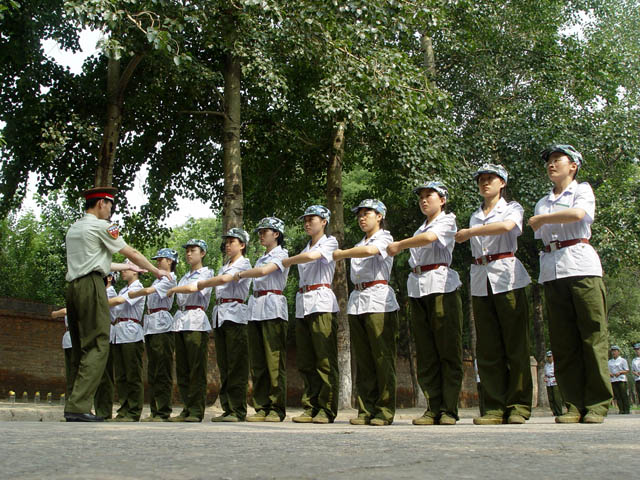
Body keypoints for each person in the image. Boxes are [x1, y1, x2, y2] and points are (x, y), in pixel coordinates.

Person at [64, 186, 170, 422]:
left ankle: (73, 402)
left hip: (73, 287)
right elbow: (131, 251)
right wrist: (156, 271)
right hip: (92, 286)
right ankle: (78, 406)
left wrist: (127, 267)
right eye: (110, 205)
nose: (111, 211)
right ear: (101, 203)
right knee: (98, 344)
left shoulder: (75, 228)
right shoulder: (104, 226)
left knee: (80, 346)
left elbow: (98, 261)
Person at [528, 144, 612, 424]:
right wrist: (545, 218)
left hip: (581, 266)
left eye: (557, 160)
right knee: (563, 341)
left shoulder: (582, 190)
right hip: (552, 270)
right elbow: (541, 232)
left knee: (592, 335)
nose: (551, 165)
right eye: (549, 161)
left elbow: (577, 215)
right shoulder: (543, 201)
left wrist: (543, 219)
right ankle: (573, 404)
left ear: (573, 166)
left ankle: (597, 404)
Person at [455, 164, 533, 425]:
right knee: (488, 347)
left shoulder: (512, 208)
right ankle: (493, 407)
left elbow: (506, 226)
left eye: (491, 178)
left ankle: (518, 406)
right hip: (481, 277)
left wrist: (470, 233)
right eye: (481, 180)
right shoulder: (475, 215)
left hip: (506, 275)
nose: (485, 183)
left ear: (503, 183)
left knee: (515, 344)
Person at [387, 181, 463, 426]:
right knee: (427, 352)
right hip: (419, 288)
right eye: (421, 196)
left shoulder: (447, 221)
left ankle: (449, 409)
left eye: (430, 195)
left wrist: (400, 245)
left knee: (447, 350)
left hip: (441, 286)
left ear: (442, 200)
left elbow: (430, 238)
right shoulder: (420, 227)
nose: (424, 200)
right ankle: (433, 407)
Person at [333, 199, 399, 426]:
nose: (362, 218)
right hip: (358, 300)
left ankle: (384, 410)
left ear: (379, 216)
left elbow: (371, 251)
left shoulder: (385, 237)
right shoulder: (359, 243)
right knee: (363, 359)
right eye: (359, 214)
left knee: (382, 358)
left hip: (378, 300)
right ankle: (366, 409)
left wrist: (343, 253)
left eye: (367, 213)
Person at [282, 205, 339, 424]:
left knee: (324, 359)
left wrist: (288, 260)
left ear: (324, 221)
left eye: (311, 219)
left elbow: (313, 257)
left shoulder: (330, 242)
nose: (307, 223)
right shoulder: (305, 247)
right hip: (303, 303)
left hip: (321, 302)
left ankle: (326, 408)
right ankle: (311, 406)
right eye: (305, 220)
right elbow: (307, 254)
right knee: (306, 360)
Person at [235, 218, 290, 423]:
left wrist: (240, 274)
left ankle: (276, 408)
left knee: (274, 361)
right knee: (258, 362)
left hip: (273, 306)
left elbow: (264, 271)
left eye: (264, 231)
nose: (260, 235)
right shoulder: (260, 258)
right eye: (259, 232)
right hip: (256, 307)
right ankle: (261, 406)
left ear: (276, 234)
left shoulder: (282, 254)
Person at [204, 228, 252, 423]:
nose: (228, 245)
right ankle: (227, 408)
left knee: (236, 365)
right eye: (227, 241)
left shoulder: (244, 263)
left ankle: (238, 409)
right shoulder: (224, 266)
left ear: (242, 245)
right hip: (220, 315)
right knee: (224, 364)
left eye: (232, 241)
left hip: (235, 315)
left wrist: (202, 283)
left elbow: (225, 280)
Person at [166, 239, 215, 422]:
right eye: (187, 251)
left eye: (193, 250)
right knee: (182, 369)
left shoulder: (207, 273)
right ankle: (186, 408)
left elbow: (193, 288)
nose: (188, 254)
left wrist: (174, 289)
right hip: (181, 321)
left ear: (202, 253)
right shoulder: (184, 276)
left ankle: (196, 410)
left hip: (196, 321)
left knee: (196, 369)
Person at [129, 249, 178, 422]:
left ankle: (163, 411)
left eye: (160, 260)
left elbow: (149, 291)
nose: (157, 263)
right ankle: (155, 410)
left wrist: (134, 293)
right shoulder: (159, 279)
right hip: (151, 325)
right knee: (152, 370)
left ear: (170, 261)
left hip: (162, 326)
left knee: (162, 370)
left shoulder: (170, 278)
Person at [108, 263, 146, 421]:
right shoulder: (123, 289)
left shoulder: (138, 288)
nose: (122, 271)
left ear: (135, 272)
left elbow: (118, 301)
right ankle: (124, 409)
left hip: (131, 333)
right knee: (121, 375)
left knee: (133, 374)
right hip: (119, 333)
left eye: (126, 269)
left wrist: (98, 302)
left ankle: (134, 411)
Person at [94, 272, 118, 420]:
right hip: (98, 331)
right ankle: (99, 409)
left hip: (106, 331)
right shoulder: (102, 292)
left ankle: (104, 411)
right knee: (98, 374)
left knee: (106, 374)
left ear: (109, 278)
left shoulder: (111, 292)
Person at [51, 309, 73, 399]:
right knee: (71, 374)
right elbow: (54, 314)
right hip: (70, 341)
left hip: (79, 340)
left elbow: (64, 311)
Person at [608, 345, 630, 414]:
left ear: (618, 352)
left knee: (623, 394)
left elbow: (627, 370)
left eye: (615, 351)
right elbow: (608, 371)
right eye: (612, 351)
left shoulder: (623, 360)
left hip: (621, 379)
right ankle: (621, 409)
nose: (613, 353)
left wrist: (620, 372)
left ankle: (626, 409)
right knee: (617, 395)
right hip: (613, 380)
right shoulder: (609, 361)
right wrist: (610, 374)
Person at [544, 351, 564, 417]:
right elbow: (545, 373)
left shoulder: (555, 364)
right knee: (551, 398)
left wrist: (557, 378)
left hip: (554, 380)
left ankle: (559, 412)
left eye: (550, 357)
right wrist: (545, 377)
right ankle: (554, 412)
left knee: (556, 397)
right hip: (548, 381)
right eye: (548, 357)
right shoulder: (546, 365)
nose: (549, 358)